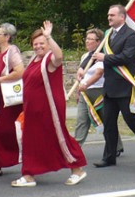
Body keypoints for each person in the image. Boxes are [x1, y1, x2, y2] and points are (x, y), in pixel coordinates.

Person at [11, 21, 87, 187]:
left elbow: (59, 56)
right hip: (32, 110)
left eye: (42, 43)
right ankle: (29, 175)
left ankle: (77, 169)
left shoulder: (50, 60)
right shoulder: (34, 60)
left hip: (49, 108)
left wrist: (49, 36)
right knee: (31, 140)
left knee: (59, 137)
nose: (38, 47)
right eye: (35, 44)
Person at [93, 4, 135, 167]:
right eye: (108, 15)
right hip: (110, 87)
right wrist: (81, 68)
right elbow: (96, 55)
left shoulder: (131, 35)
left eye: (112, 15)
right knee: (109, 125)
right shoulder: (108, 35)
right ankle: (109, 157)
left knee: (132, 121)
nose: (109, 18)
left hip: (125, 87)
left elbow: (127, 57)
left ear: (122, 17)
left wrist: (105, 58)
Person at [74, 28, 123, 154]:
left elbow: (98, 73)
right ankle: (75, 149)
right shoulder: (85, 57)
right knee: (81, 120)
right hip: (85, 93)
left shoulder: (102, 56)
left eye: (91, 39)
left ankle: (116, 146)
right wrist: (78, 89)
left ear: (98, 42)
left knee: (106, 121)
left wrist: (86, 84)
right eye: (87, 39)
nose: (87, 41)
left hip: (99, 92)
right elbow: (81, 75)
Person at [0, 23, 24, 177]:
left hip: (11, 101)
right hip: (2, 99)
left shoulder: (11, 51)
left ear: (7, 37)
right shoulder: (0, 53)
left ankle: (20, 158)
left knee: (10, 131)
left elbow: (20, 71)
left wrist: (0, 80)